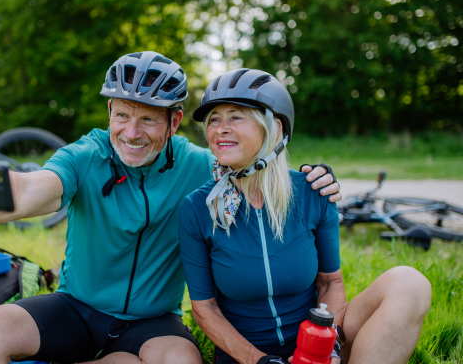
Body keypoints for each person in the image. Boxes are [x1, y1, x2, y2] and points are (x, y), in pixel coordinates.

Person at [0, 52, 341, 364]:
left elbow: (255, 157)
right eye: (121, 115)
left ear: (173, 123)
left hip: (153, 321)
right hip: (75, 308)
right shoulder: (85, 156)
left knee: (180, 361)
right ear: (109, 112)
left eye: (148, 119)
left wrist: (314, 177)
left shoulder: (201, 167)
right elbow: (26, 193)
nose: (131, 133)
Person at [179, 68, 432, 364]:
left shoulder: (313, 191)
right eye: (214, 119)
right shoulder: (197, 208)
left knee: (408, 282)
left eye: (236, 116)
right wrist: (260, 361)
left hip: (317, 339)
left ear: (275, 127)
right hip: (246, 356)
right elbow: (204, 308)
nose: (220, 128)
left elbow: (330, 283)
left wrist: (329, 346)